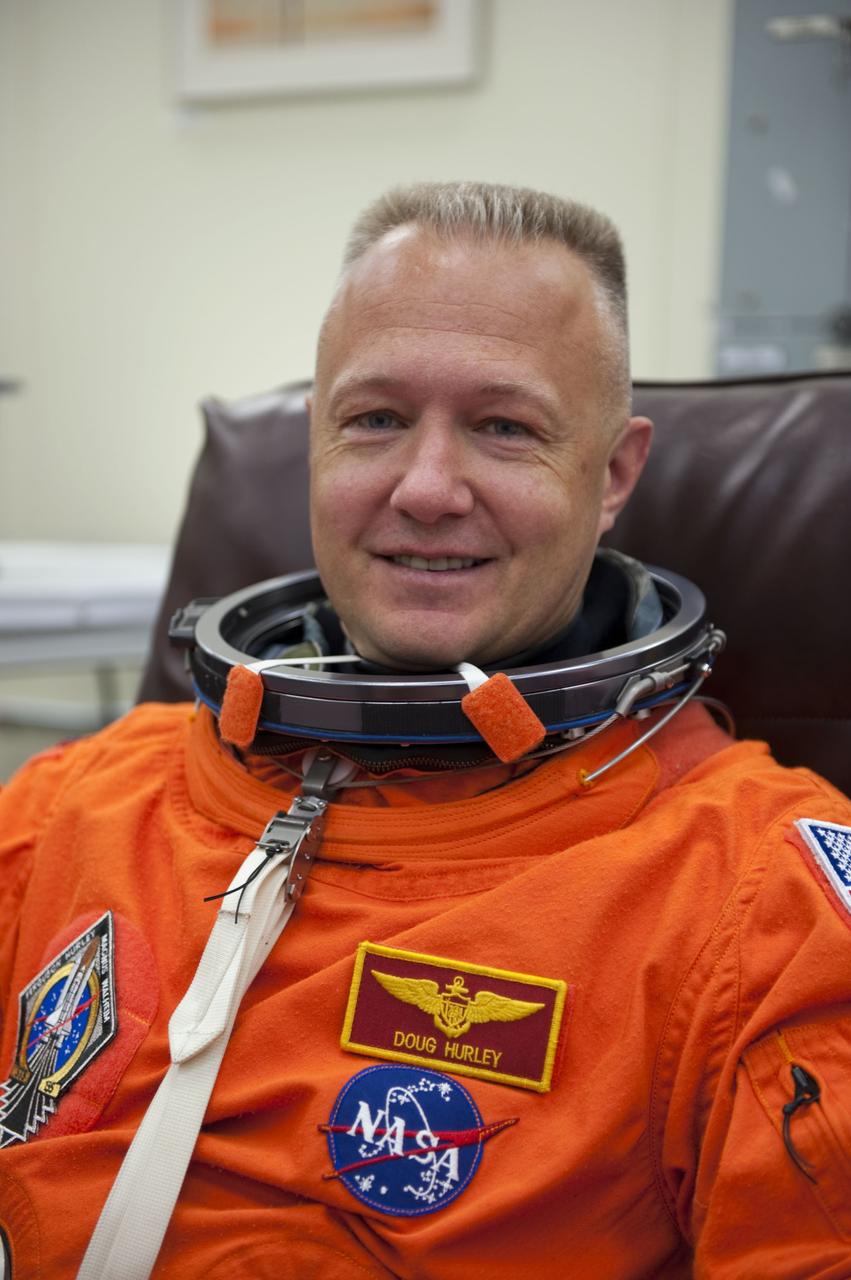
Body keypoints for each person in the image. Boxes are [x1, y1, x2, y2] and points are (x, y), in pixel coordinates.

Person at [1, 182, 850, 1280]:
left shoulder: (758, 901)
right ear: (315, 442)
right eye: (374, 420)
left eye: (503, 427)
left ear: (614, 474)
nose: (426, 486)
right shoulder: (68, 804)